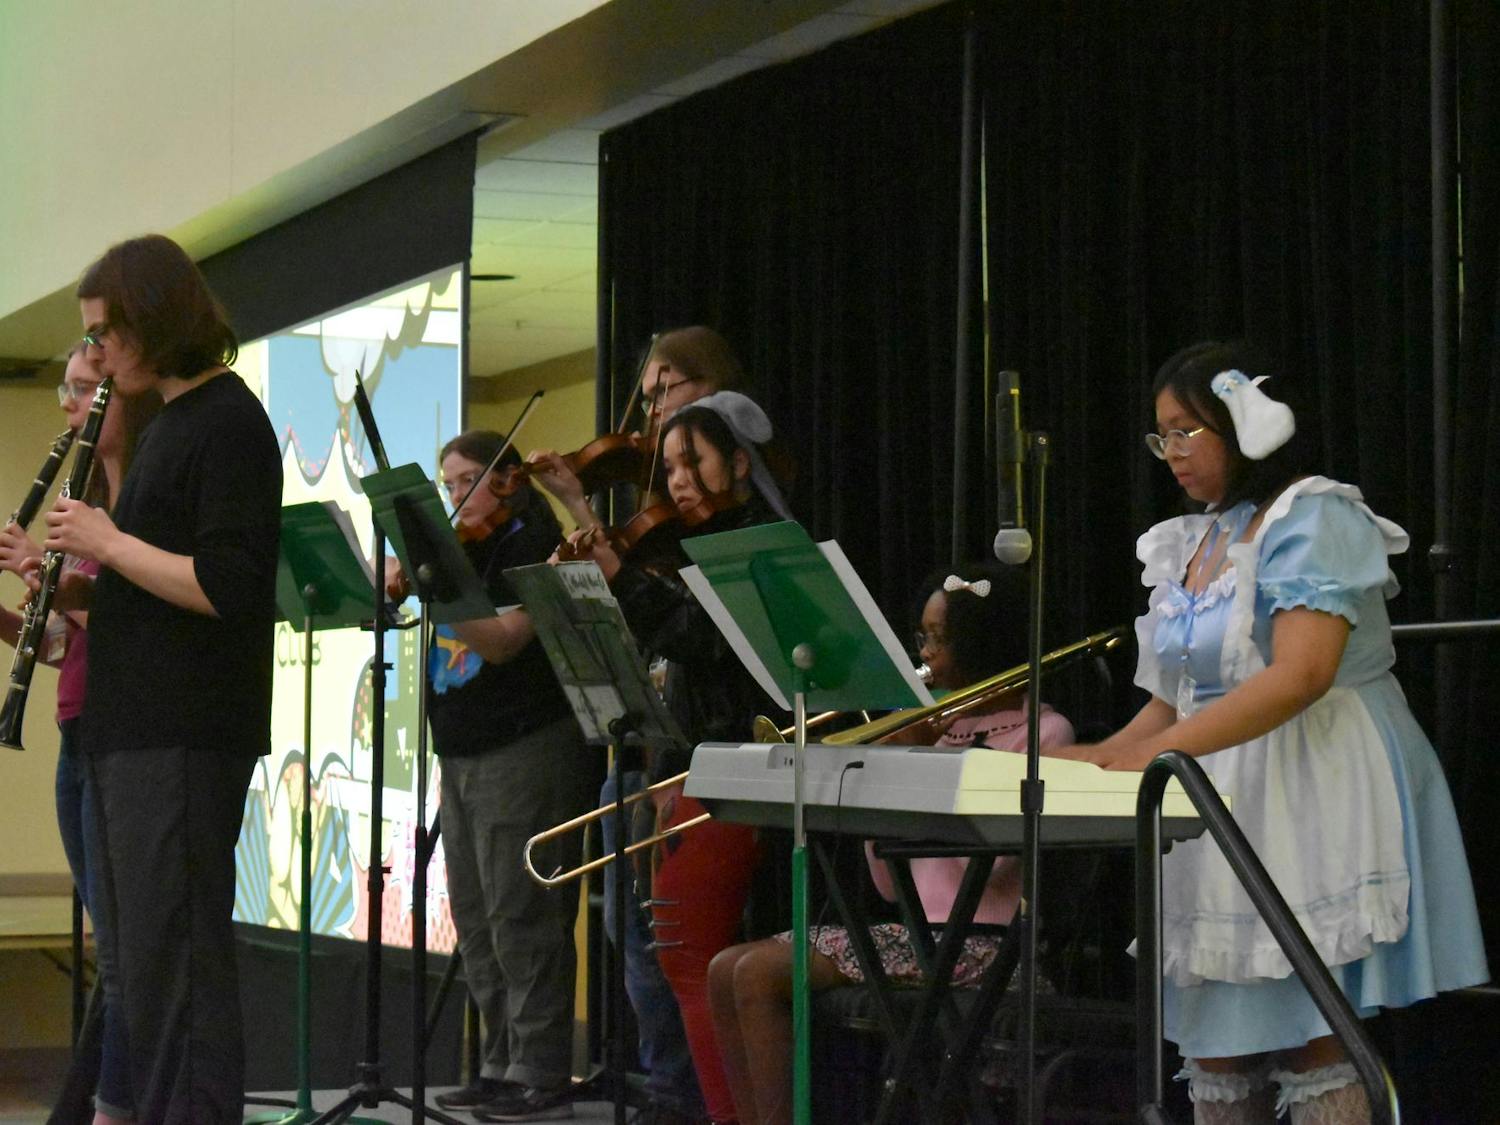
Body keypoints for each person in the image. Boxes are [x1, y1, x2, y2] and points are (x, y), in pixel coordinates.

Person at [1051, 341, 1488, 1124]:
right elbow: (1170, 698)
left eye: (1188, 429)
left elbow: (1300, 673)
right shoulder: (1191, 540)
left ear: (1242, 423)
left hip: (1310, 781)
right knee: (1218, 1036)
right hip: (1215, 787)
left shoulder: (1315, 514)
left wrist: (1155, 756)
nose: (1172, 452)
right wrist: (1096, 756)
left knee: (1308, 1029)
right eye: (1162, 434)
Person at [38, 234, 282, 1125]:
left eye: (105, 332)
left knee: (181, 979)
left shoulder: (227, 421)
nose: (95, 353)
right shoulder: (173, 422)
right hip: (131, 732)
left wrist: (103, 543)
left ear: (155, 318)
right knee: (141, 975)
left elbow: (227, 586)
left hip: (183, 734)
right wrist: (71, 581)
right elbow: (151, 592)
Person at [705, 563, 1074, 1125]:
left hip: (986, 949)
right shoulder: (933, 725)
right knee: (723, 967)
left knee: (757, 974)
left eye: (940, 638)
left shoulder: (1045, 732)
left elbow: (995, 864)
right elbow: (887, 882)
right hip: (918, 937)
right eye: (922, 636)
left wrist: (922, 764)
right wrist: (888, 772)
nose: (925, 653)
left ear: (986, 644)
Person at [527, 326, 751, 1123]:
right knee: (637, 943)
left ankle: (683, 1093)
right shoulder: (673, 527)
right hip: (660, 751)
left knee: (677, 949)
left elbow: (695, 637)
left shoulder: (738, 535)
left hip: (718, 768)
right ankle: (666, 1083)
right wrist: (585, 526)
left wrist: (610, 562)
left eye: (666, 389)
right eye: (648, 394)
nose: (651, 410)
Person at [558, 391, 796, 1124]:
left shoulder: (756, 543)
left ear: (740, 461)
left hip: (743, 780)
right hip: (702, 773)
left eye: (693, 460)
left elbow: (703, 641)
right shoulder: (702, 543)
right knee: (692, 966)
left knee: (693, 963)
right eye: (669, 465)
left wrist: (621, 577)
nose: (679, 477)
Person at [392, 431, 597, 1123]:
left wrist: (436, 579)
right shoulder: (468, 549)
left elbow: (505, 642)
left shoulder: (532, 544)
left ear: (509, 480)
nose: (456, 498)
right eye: (447, 484)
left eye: (467, 480)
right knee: (477, 916)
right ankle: (499, 1061)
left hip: (527, 744)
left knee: (524, 914)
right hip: (463, 752)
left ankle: (540, 1068)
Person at [1, 344, 159, 1125]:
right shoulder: (89, 492)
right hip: (77, 720)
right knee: (114, 940)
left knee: (126, 951)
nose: (71, 405)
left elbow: (133, 616)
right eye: (66, 389)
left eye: (85, 388)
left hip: (124, 730)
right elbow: (66, 642)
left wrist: (46, 566)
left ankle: (113, 1108)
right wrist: (15, 608)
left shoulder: (133, 503)